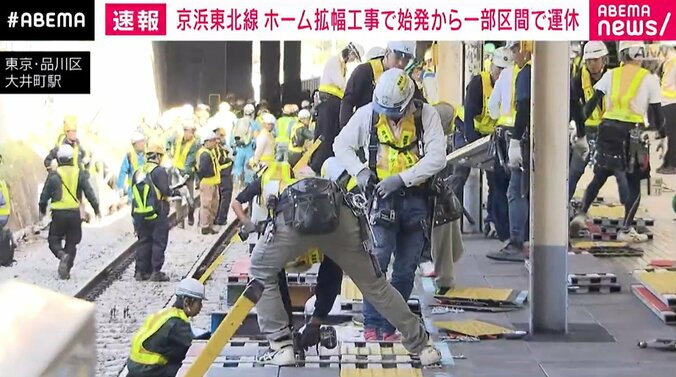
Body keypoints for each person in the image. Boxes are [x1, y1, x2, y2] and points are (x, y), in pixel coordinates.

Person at [248, 176, 442, 365]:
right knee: (377, 287)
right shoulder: (325, 171)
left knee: (260, 268)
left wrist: (308, 324)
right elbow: (332, 274)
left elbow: (276, 274)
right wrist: (317, 320)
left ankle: (281, 347)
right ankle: (424, 347)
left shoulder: (267, 194)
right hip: (340, 218)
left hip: (293, 216)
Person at [334, 68, 446, 340]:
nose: (390, 116)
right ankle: (372, 326)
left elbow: (437, 158)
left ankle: (389, 327)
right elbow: (341, 145)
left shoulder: (426, 116)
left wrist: (401, 179)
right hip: (381, 203)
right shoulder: (368, 114)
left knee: (406, 269)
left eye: (395, 111)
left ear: (409, 102)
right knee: (376, 266)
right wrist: (360, 171)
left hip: (416, 201)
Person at [570, 41, 665, 243]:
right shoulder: (649, 79)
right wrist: (662, 136)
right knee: (635, 183)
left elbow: (590, 105)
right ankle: (626, 228)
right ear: (640, 54)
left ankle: (581, 213)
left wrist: (577, 128)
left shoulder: (610, 75)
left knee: (601, 174)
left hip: (607, 130)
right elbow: (657, 116)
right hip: (632, 134)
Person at [451, 46, 512, 243]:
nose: (500, 73)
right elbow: (469, 116)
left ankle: (495, 224)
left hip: (492, 137)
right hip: (467, 133)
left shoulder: (510, 85)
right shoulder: (479, 83)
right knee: (460, 174)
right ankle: (450, 225)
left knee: (497, 178)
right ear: (492, 65)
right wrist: (473, 145)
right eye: (498, 69)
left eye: (505, 70)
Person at [486, 41, 532, 262]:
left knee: (516, 191)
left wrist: (514, 139)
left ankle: (516, 242)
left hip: (516, 137)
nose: (513, 56)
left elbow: (494, 106)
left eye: (515, 51)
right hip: (530, 136)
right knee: (526, 191)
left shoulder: (517, 74)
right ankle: (529, 238)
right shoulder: (546, 71)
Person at [569, 41, 628, 205]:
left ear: (604, 60)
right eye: (589, 60)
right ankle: (562, 206)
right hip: (587, 130)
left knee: (621, 172)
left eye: (595, 60)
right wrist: (578, 131)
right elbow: (574, 107)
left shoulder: (616, 77)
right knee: (574, 171)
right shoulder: (578, 80)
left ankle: (628, 215)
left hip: (611, 131)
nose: (592, 64)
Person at [39, 144, 100, 279]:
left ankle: (62, 255)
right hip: (74, 213)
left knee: (53, 239)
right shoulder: (79, 173)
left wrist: (42, 208)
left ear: (59, 159)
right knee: (72, 242)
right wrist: (96, 207)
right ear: (72, 158)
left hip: (58, 214)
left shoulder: (54, 175)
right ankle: (66, 269)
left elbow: (45, 195)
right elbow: (89, 191)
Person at [127, 278, 206, 377]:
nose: (201, 306)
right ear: (187, 302)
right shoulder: (177, 324)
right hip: (148, 369)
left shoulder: (166, 313)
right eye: (199, 302)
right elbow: (194, 345)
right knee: (188, 368)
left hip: (134, 365)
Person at [308, 42, 364, 175]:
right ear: (349, 52)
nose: (352, 60)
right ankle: (317, 164)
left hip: (334, 103)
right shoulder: (334, 62)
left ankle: (327, 163)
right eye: (353, 57)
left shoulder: (342, 65)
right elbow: (341, 84)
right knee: (325, 134)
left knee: (333, 134)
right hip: (328, 102)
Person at [131, 141, 177, 282]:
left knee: (143, 241)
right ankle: (155, 272)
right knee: (158, 242)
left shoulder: (138, 171)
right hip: (157, 213)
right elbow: (165, 190)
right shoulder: (159, 171)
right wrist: (174, 191)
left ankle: (140, 271)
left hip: (139, 213)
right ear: (157, 156)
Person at [167, 121, 199, 229]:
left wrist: (184, 175)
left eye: (191, 132)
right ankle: (179, 221)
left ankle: (190, 214)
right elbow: (168, 141)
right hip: (175, 171)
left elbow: (190, 161)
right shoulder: (177, 137)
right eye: (188, 132)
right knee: (177, 198)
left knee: (190, 199)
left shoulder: (195, 144)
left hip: (187, 174)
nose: (189, 134)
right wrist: (168, 151)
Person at [196, 129, 222, 235]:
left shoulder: (209, 152)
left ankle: (209, 224)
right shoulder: (204, 154)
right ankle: (205, 226)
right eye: (212, 141)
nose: (215, 143)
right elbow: (203, 170)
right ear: (207, 141)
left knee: (213, 204)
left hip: (212, 181)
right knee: (207, 205)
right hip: (207, 183)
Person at [657, 41, 676, 174]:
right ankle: (668, 162)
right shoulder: (670, 61)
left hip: (672, 102)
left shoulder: (673, 62)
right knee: (672, 135)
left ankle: (672, 164)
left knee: (673, 135)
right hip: (667, 102)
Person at [232, 105, 259, 188]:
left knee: (238, 166)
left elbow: (232, 135)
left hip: (239, 148)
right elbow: (256, 137)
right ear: (253, 113)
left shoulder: (238, 121)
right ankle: (248, 185)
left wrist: (233, 146)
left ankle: (237, 182)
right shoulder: (254, 123)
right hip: (249, 148)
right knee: (249, 167)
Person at [213, 124, 234, 226]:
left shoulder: (223, 148)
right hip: (222, 175)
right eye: (221, 135)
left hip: (224, 175)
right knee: (223, 197)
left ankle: (220, 218)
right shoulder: (216, 148)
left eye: (224, 135)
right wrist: (229, 158)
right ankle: (220, 218)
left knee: (223, 198)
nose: (223, 138)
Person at [117, 132, 147, 203]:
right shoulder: (129, 156)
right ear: (134, 144)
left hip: (148, 190)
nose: (142, 144)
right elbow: (122, 172)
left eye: (143, 141)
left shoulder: (148, 154)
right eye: (140, 142)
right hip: (134, 192)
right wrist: (120, 187)